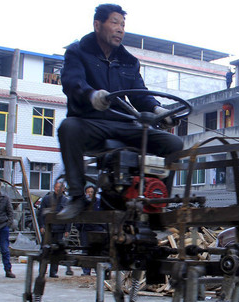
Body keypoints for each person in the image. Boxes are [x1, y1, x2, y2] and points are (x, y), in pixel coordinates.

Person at [56, 3, 184, 220]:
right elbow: (72, 82)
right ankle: (77, 197)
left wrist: (158, 110)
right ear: (98, 25)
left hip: (123, 124)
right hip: (91, 122)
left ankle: (157, 201)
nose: (120, 29)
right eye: (114, 22)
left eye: (123, 24)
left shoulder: (128, 61)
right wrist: (91, 95)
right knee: (68, 128)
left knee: (174, 144)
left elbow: (139, 95)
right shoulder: (77, 52)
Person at [38, 181, 73, 278]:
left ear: (63, 189)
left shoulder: (66, 201)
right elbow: (41, 214)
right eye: (57, 187)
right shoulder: (47, 199)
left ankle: (53, 272)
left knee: (56, 251)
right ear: (54, 188)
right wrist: (41, 226)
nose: (58, 189)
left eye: (60, 187)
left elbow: (68, 217)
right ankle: (42, 270)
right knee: (44, 249)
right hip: (48, 229)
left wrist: (67, 229)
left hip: (60, 229)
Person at [79, 185, 103, 276]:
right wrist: (80, 228)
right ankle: (86, 271)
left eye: (91, 192)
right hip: (85, 230)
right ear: (85, 193)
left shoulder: (99, 203)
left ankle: (98, 271)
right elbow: (78, 217)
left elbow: (103, 216)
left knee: (97, 251)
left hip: (97, 230)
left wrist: (101, 227)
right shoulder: (83, 204)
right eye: (88, 192)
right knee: (85, 250)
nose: (90, 194)